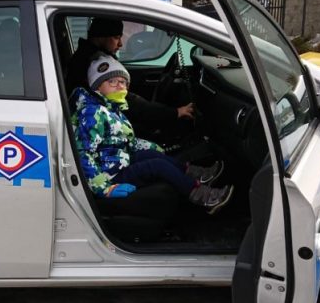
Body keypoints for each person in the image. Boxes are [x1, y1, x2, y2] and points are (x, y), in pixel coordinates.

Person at [70, 54, 234, 215]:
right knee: (157, 166)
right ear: (97, 86)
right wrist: (104, 188)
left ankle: (196, 174)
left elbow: (123, 141)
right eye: (112, 82)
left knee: (154, 155)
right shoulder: (92, 114)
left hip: (117, 160)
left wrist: (152, 147)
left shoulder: (111, 108)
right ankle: (202, 196)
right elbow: (82, 154)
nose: (120, 86)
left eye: (123, 82)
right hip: (109, 174)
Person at [64, 18, 195, 131]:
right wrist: (175, 113)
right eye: (116, 38)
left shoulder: (89, 58)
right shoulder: (97, 63)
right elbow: (130, 102)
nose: (120, 44)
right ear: (100, 37)